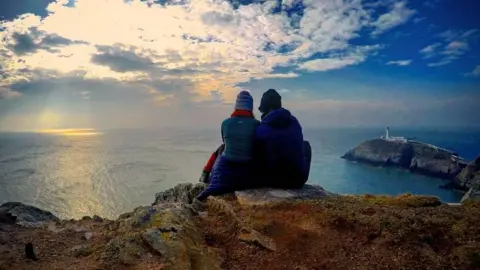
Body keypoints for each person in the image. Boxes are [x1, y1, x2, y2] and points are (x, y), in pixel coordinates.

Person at [196, 90, 260, 201]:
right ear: (250, 107)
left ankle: (205, 174)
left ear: (236, 106)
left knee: (221, 148)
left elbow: (225, 142)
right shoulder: (257, 124)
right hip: (249, 167)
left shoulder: (225, 123)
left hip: (229, 164)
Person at [255, 89, 311, 188]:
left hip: (271, 181)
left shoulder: (262, 127)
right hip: (297, 180)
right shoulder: (294, 121)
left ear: (267, 109)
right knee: (305, 145)